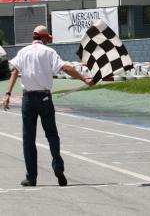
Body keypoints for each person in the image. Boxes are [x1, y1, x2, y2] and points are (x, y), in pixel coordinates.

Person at [2, 25, 93, 187]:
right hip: (44, 98)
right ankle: (57, 165)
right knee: (51, 135)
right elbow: (65, 67)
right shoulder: (49, 52)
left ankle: (31, 177)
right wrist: (84, 79)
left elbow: (14, 71)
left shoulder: (23, 52)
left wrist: (7, 95)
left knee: (28, 139)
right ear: (44, 39)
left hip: (28, 99)